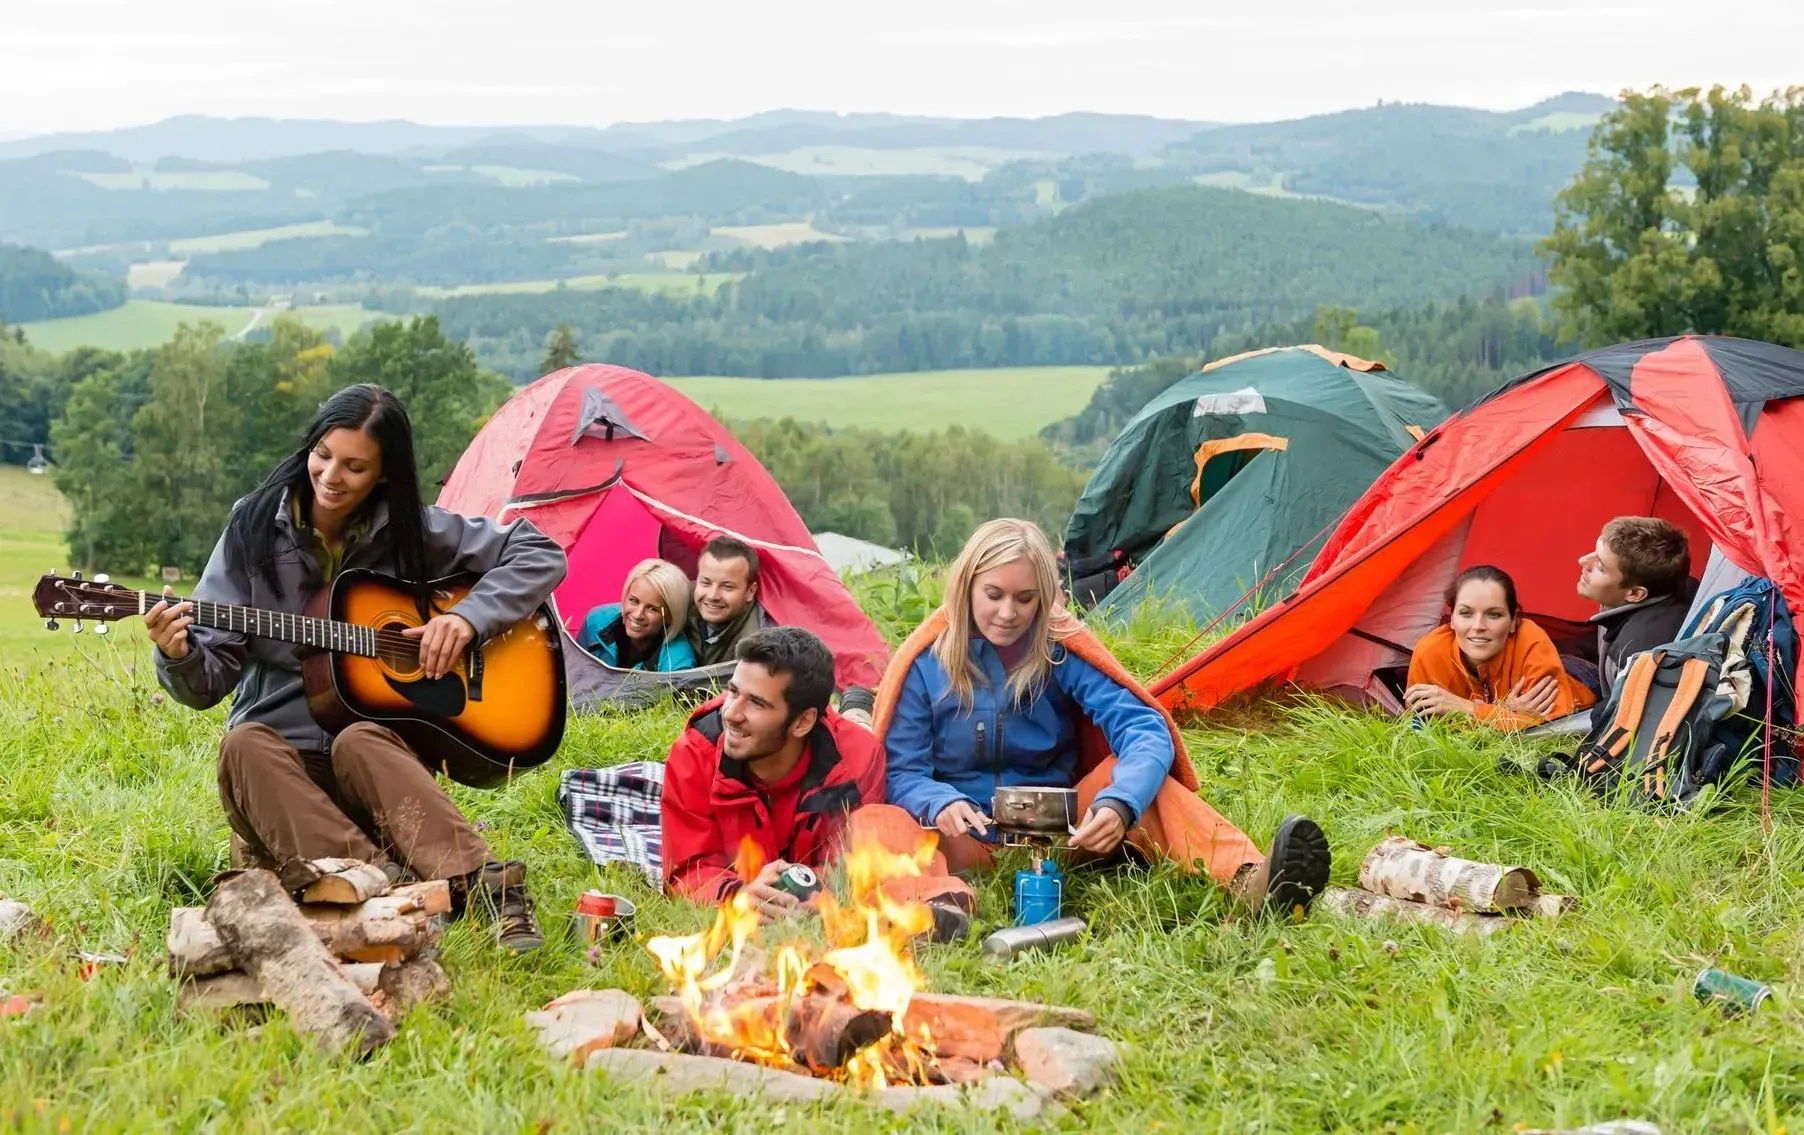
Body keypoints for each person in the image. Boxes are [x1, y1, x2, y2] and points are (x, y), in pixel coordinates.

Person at [146, 384, 566, 952]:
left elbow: (540, 553)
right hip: (284, 783)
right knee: (244, 743)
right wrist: (180, 655)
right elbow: (208, 682)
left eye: (355, 466)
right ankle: (385, 892)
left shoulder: (412, 530)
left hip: (376, 771)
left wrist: (467, 619)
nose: (331, 475)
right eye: (323, 454)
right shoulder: (251, 528)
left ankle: (489, 890)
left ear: (384, 475)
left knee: (361, 737)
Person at [853, 517, 1333, 917]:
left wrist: (1118, 804)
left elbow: (1144, 729)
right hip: (962, 840)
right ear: (967, 588)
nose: (1007, 612)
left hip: (1061, 831)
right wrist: (938, 801)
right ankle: (938, 909)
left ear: (1045, 598)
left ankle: (1252, 880)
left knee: (1145, 786)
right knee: (877, 820)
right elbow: (900, 771)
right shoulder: (926, 661)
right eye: (994, 594)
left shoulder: (1059, 648)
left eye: (1025, 599)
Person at [661, 627, 899, 913]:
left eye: (757, 703)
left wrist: (809, 895)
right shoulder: (694, 753)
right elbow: (687, 870)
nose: (732, 714)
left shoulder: (859, 759)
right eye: (733, 691)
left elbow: (854, 865)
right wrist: (740, 896)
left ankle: (857, 707)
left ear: (801, 722)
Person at [1406, 565, 1598, 731]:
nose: (1478, 626)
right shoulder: (1429, 652)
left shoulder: (1531, 638)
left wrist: (1469, 709)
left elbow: (1554, 726)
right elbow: (1422, 730)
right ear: (1452, 620)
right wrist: (1503, 711)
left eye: (1494, 614)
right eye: (1466, 613)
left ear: (1513, 621)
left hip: (1579, 676)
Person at [1576, 517, 1696, 693]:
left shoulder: (1634, 655)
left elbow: (1622, 715)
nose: (1582, 561)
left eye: (1601, 567)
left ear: (1635, 594)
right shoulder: (1673, 583)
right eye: (1595, 552)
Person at [579, 558, 699, 672]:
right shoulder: (595, 622)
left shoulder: (678, 661)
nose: (637, 615)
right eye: (634, 600)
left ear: (670, 616)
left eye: (652, 609)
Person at [685, 535, 771, 666]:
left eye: (727, 587)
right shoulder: (677, 603)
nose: (713, 596)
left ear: (750, 591)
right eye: (706, 583)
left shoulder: (760, 643)